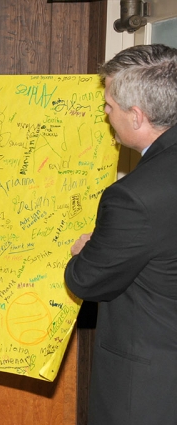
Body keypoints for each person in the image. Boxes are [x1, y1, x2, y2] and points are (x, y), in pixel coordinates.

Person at [65, 44, 177, 425]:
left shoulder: (134, 197)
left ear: (137, 116)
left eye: (109, 106)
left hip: (150, 388)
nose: (105, 114)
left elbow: (87, 281)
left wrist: (88, 249)